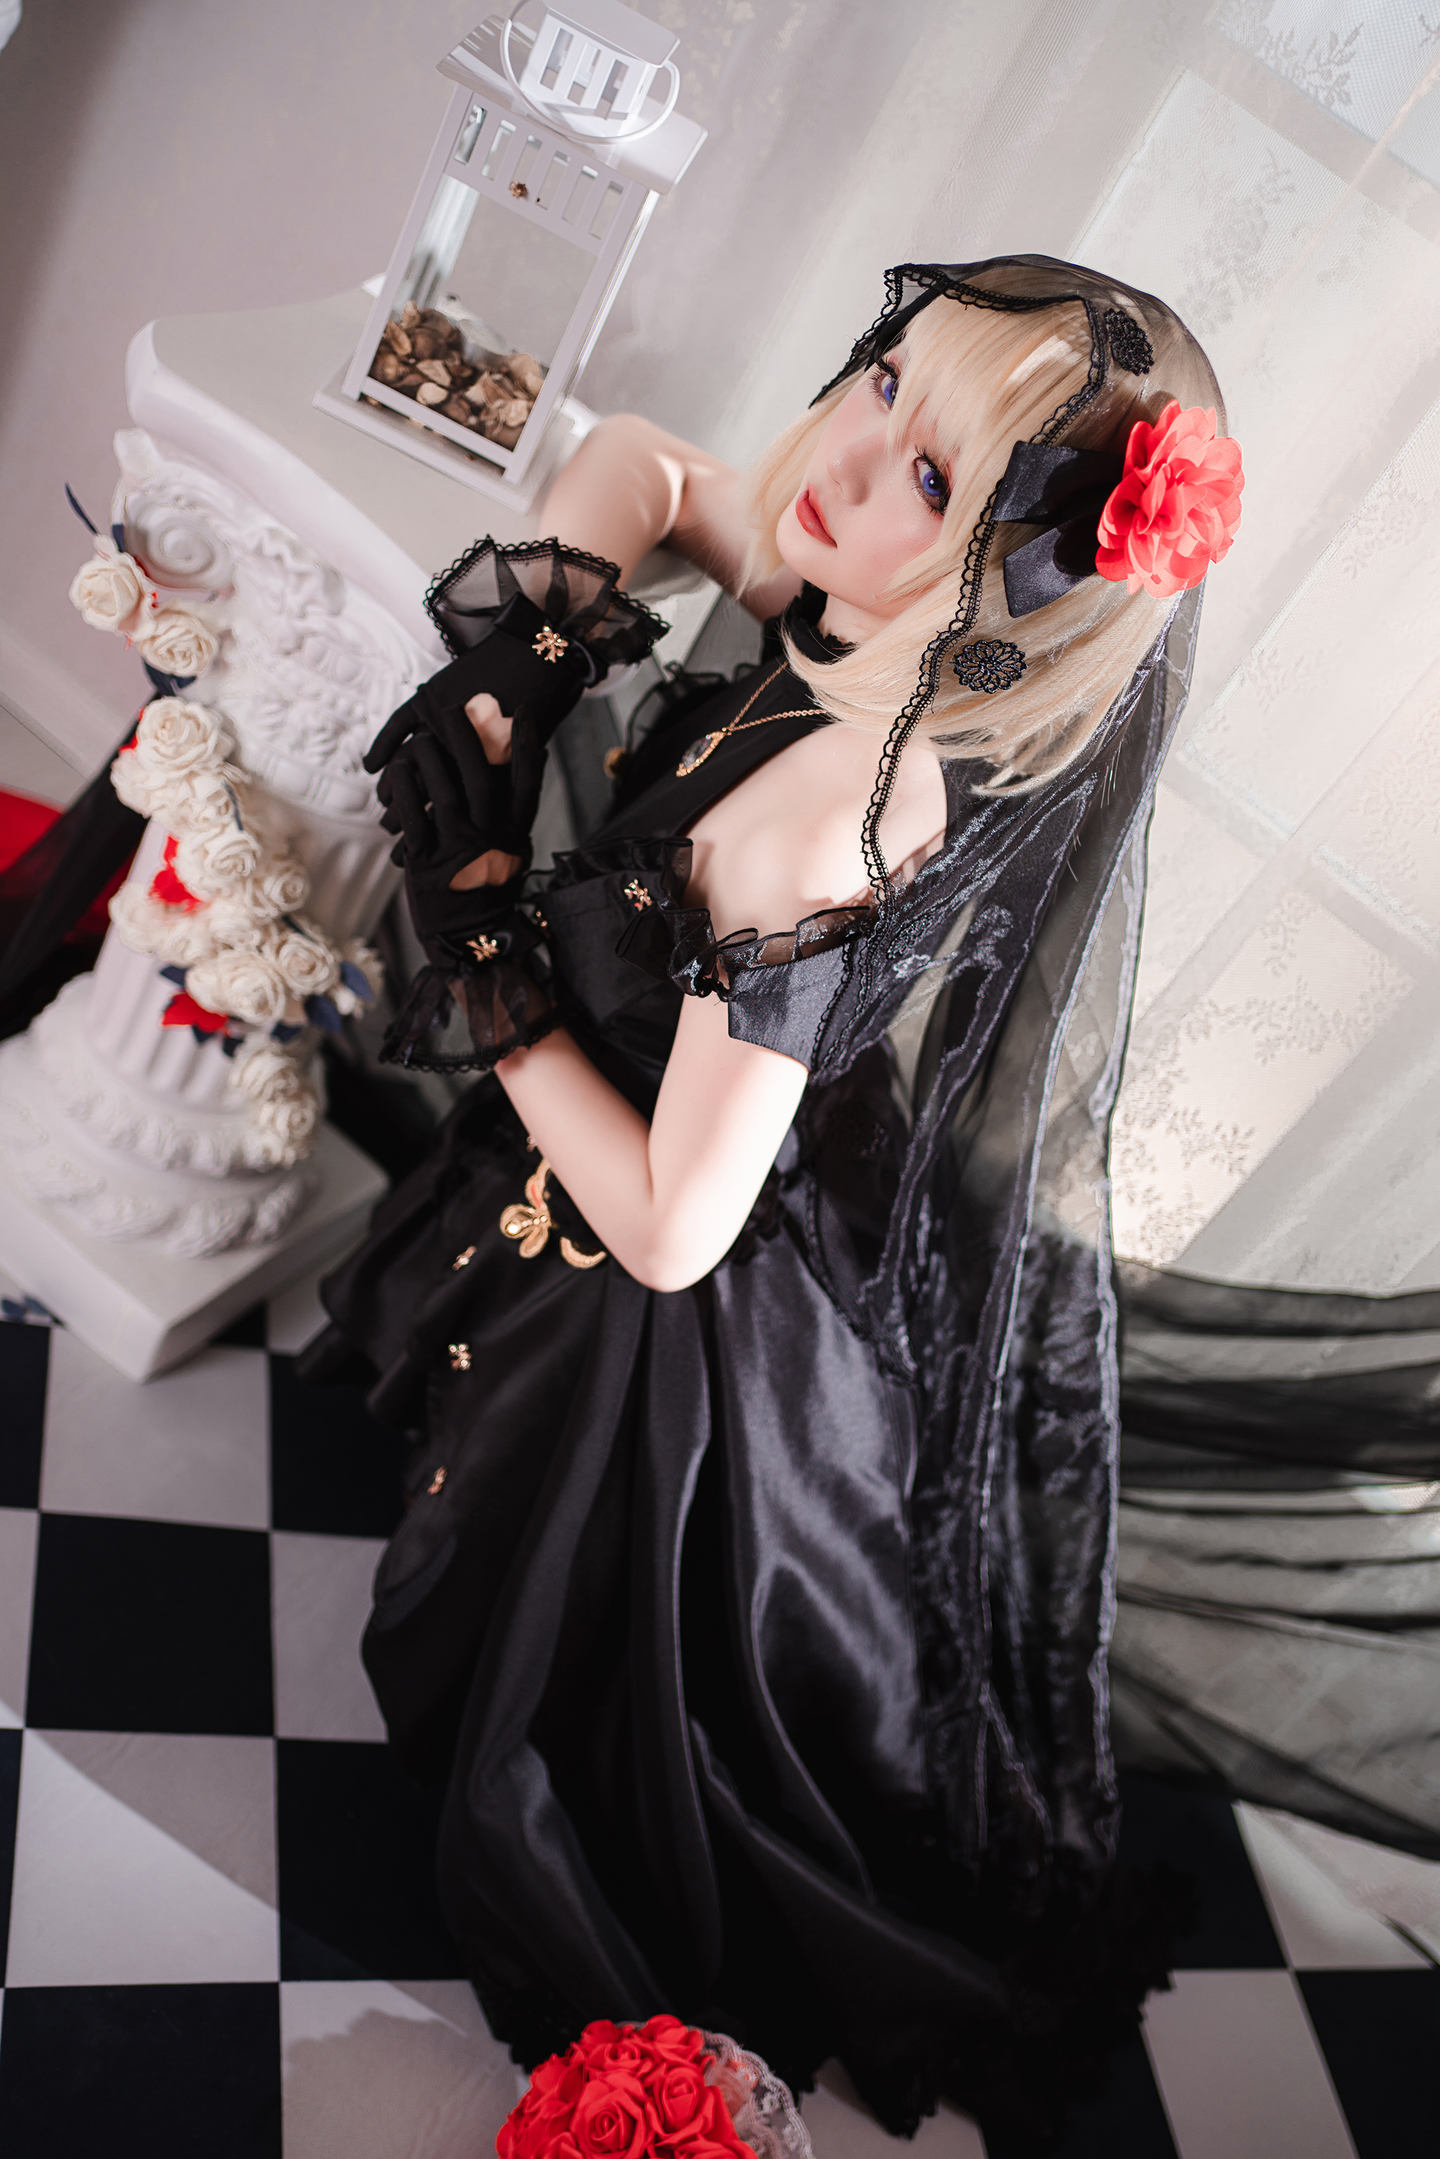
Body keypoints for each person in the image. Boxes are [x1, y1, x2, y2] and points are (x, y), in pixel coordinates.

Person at [299, 255, 1243, 2151]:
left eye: (936, 479)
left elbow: (672, 1231)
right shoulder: (849, 597)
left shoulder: (839, 812)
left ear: (1013, 579)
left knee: (578, 1695)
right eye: (886, 381)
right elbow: (647, 465)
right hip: (648, 1155)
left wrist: (487, 960)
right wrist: (525, 662)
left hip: (671, 1250)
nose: (853, 458)